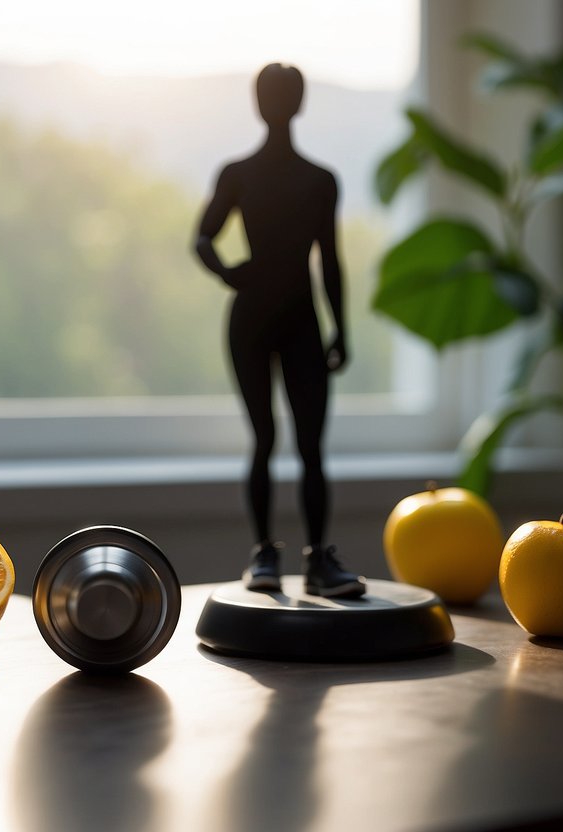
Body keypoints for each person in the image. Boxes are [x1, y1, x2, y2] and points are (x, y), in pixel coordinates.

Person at [194, 63, 365, 598]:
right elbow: (203, 238)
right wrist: (228, 271)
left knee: (303, 445)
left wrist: (340, 328)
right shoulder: (261, 175)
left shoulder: (308, 179)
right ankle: (268, 553)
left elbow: (329, 261)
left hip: (286, 318)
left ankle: (310, 558)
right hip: (270, 318)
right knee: (272, 440)